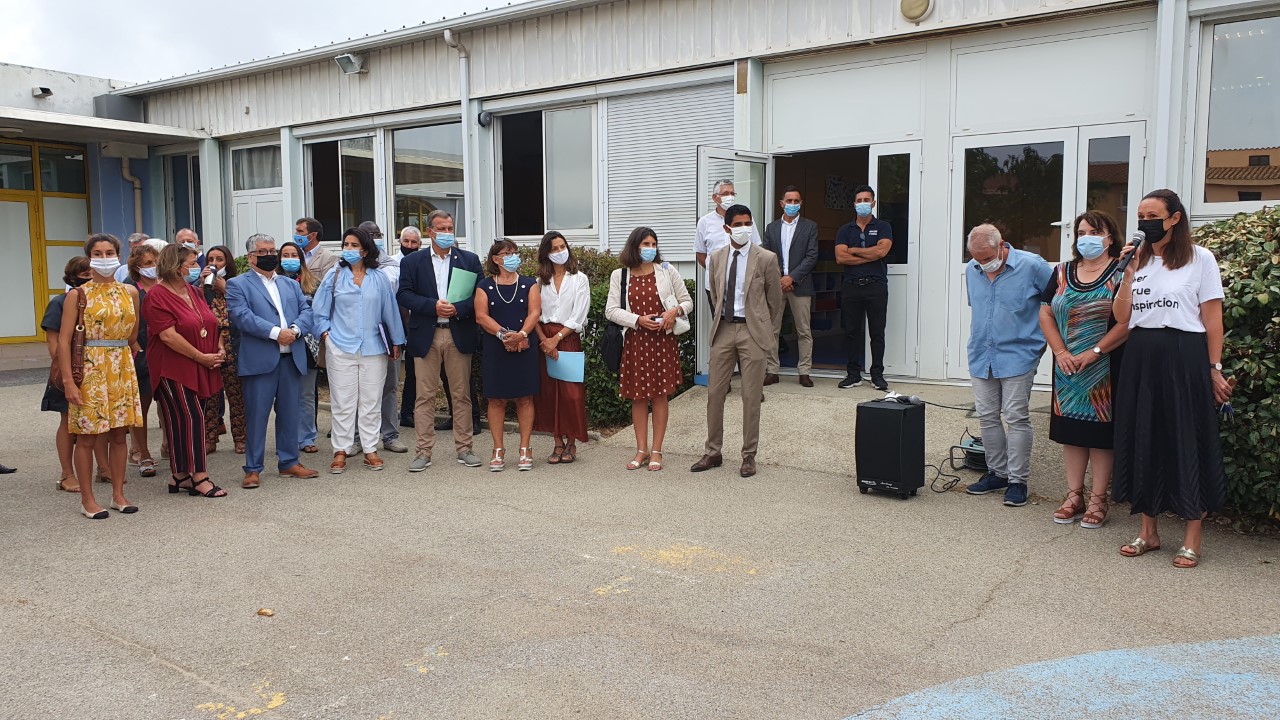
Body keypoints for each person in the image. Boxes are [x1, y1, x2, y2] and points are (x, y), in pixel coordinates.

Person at [1112, 189, 1231, 569]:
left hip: (1184, 355)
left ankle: (1193, 537)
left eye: (1152, 214)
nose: (1144, 221)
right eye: (1140, 215)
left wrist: (1214, 369)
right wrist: (1128, 275)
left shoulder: (1200, 259)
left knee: (1185, 438)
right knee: (1145, 435)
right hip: (1141, 356)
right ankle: (1149, 531)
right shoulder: (1137, 260)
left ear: (1174, 218)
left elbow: (1213, 319)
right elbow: (1121, 318)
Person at [1039, 212, 1128, 529]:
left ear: (1110, 236)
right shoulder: (1062, 271)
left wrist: (1094, 352)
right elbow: (1046, 312)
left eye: (1095, 231)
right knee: (1072, 433)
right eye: (1081, 232)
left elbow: (1127, 323)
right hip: (1066, 367)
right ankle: (1074, 495)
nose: (1086, 237)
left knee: (1100, 437)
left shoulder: (1123, 271)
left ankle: (1098, 500)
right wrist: (1060, 351)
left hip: (1105, 365)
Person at [963, 224, 1053, 508]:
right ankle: (997, 473)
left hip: (1019, 353)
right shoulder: (972, 270)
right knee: (987, 416)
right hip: (982, 354)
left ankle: (1017, 480)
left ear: (1003, 245)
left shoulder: (1033, 266)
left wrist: (1043, 343)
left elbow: (1054, 304)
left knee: (1015, 416)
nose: (983, 264)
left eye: (987, 257)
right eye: (977, 259)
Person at [691, 206, 783, 478]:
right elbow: (716, 294)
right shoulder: (716, 258)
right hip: (724, 330)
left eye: (747, 223)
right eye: (738, 223)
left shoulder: (765, 258)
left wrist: (762, 324)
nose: (744, 228)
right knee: (714, 393)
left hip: (752, 331)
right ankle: (713, 451)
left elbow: (775, 300)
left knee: (751, 396)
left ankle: (748, 456)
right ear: (727, 228)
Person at [59, 234, 143, 519]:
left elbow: (132, 335)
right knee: (86, 436)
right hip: (91, 369)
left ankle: (118, 494)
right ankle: (88, 499)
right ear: (89, 256)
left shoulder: (130, 293)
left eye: (110, 252)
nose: (105, 257)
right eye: (98, 252)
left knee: (119, 435)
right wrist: (70, 381)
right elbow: (63, 340)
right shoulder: (77, 294)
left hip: (120, 367)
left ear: (118, 255)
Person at [226, 233, 319, 489]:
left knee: (290, 413)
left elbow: (307, 311)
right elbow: (242, 317)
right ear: (250, 256)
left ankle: (289, 462)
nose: (270, 255)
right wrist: (278, 333)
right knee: (257, 415)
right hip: (260, 359)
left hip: (291, 359)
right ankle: (253, 468)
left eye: (272, 250)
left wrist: (296, 331)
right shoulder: (237, 284)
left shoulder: (289, 284)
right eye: (263, 251)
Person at [397, 210, 485, 472]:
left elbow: (479, 296)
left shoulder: (469, 260)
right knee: (424, 397)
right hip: (427, 333)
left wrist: (458, 308)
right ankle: (423, 451)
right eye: (442, 229)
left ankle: (465, 448)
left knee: (461, 395)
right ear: (430, 232)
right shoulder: (413, 262)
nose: (447, 233)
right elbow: (404, 294)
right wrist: (433, 306)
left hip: (458, 332)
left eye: (450, 228)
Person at [313, 227, 406, 473]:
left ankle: (370, 449)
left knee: (371, 401)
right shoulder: (334, 275)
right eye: (346, 244)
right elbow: (319, 310)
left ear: (365, 249)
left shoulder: (379, 277)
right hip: (340, 346)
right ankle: (341, 449)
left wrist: (396, 342)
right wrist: (326, 334)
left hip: (374, 348)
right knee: (343, 401)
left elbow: (390, 312)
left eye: (355, 245)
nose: (349, 249)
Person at [607, 227, 694, 472]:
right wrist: (637, 319)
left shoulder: (667, 271)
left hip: (662, 342)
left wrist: (673, 311)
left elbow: (687, 301)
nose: (650, 248)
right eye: (645, 243)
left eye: (653, 244)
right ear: (634, 246)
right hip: (635, 342)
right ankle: (641, 450)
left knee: (659, 395)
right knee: (638, 397)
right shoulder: (620, 275)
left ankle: (657, 450)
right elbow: (611, 310)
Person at [144, 244, 227, 498]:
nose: (197, 267)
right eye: (192, 262)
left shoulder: (195, 291)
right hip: (173, 366)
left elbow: (210, 323)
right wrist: (200, 356)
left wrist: (219, 348)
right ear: (176, 265)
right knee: (190, 419)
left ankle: (180, 476)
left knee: (186, 419)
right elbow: (168, 336)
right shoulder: (156, 295)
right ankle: (200, 476)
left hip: (201, 362)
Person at [475, 239, 541, 471]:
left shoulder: (529, 283)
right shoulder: (484, 285)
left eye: (515, 252)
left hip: (525, 344)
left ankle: (525, 448)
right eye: (507, 253)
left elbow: (535, 312)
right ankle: (498, 449)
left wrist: (521, 334)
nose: (513, 256)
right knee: (496, 399)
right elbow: (481, 316)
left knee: (525, 398)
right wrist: (504, 335)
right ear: (495, 259)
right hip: (495, 347)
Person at [532, 232, 590, 464]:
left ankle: (572, 443)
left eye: (562, 246)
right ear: (546, 253)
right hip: (543, 339)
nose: (559, 252)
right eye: (554, 248)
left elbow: (579, 314)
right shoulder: (539, 281)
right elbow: (534, 315)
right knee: (550, 392)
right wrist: (544, 341)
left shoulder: (579, 279)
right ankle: (557, 442)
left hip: (567, 338)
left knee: (571, 394)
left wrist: (556, 339)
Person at [352, 220, 408, 455]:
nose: (374, 237)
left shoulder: (392, 264)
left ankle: (390, 435)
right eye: (369, 234)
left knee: (389, 386)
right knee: (356, 388)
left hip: (386, 333)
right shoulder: (347, 265)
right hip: (356, 335)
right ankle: (356, 438)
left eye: (377, 234)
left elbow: (390, 288)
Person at [835, 185, 894, 391]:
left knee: (877, 332)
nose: (862, 204)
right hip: (851, 287)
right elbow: (840, 257)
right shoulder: (845, 229)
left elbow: (882, 251)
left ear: (873, 203)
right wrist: (869, 254)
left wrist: (854, 251)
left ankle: (877, 374)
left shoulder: (884, 226)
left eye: (866, 200)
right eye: (859, 201)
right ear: (854, 204)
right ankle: (853, 374)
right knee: (852, 332)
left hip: (876, 286)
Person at [42, 257, 93, 492]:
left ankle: (103, 468)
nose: (91, 277)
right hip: (70, 369)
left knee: (97, 422)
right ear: (74, 277)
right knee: (67, 420)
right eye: (86, 273)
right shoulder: (60, 303)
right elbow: (54, 345)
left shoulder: (101, 300)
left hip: (98, 369)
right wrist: (68, 372)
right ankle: (66, 473)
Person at [762, 185, 819, 387]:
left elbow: (812, 256)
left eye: (796, 201)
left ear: (801, 203)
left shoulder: (810, 226)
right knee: (771, 329)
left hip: (800, 285)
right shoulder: (771, 228)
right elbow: (766, 256)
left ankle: (804, 372)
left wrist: (792, 277)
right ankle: (772, 370)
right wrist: (779, 278)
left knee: (804, 330)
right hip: (776, 286)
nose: (792, 204)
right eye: (789, 201)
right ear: (782, 203)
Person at [122, 239, 168, 478]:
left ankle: (167, 445)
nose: (153, 266)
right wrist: (136, 349)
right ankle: (141, 453)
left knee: (167, 402)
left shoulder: (167, 286)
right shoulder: (130, 290)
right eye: (148, 263)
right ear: (137, 267)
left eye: (156, 261)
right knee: (141, 405)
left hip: (168, 350)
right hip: (142, 352)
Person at [198, 245, 246, 455]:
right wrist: (203, 284)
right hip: (209, 344)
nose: (215, 263)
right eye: (211, 259)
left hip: (232, 343)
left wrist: (224, 287)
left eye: (220, 259)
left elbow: (244, 308)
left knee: (236, 395)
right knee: (210, 395)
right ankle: (209, 438)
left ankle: (241, 438)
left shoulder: (237, 284)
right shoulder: (200, 287)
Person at [279, 241, 322, 455]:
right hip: (280, 343)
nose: (290, 258)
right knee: (284, 396)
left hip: (307, 345)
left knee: (306, 395)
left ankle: (306, 437)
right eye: (285, 254)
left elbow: (317, 312)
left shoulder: (313, 283)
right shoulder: (273, 283)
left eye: (293, 255)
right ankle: (286, 439)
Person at [694, 180, 761, 269]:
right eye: (725, 194)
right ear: (714, 197)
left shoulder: (745, 219)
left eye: (732, 194)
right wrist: (713, 270)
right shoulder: (704, 222)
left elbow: (756, 247)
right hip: (715, 277)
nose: (730, 197)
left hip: (742, 275)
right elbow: (701, 254)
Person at [396, 227, 423, 428]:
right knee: (411, 373)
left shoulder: (423, 262)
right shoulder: (390, 263)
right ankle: (406, 413)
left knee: (416, 372)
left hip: (420, 323)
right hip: (399, 324)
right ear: (400, 241)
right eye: (406, 242)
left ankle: (410, 412)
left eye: (414, 243)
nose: (410, 246)